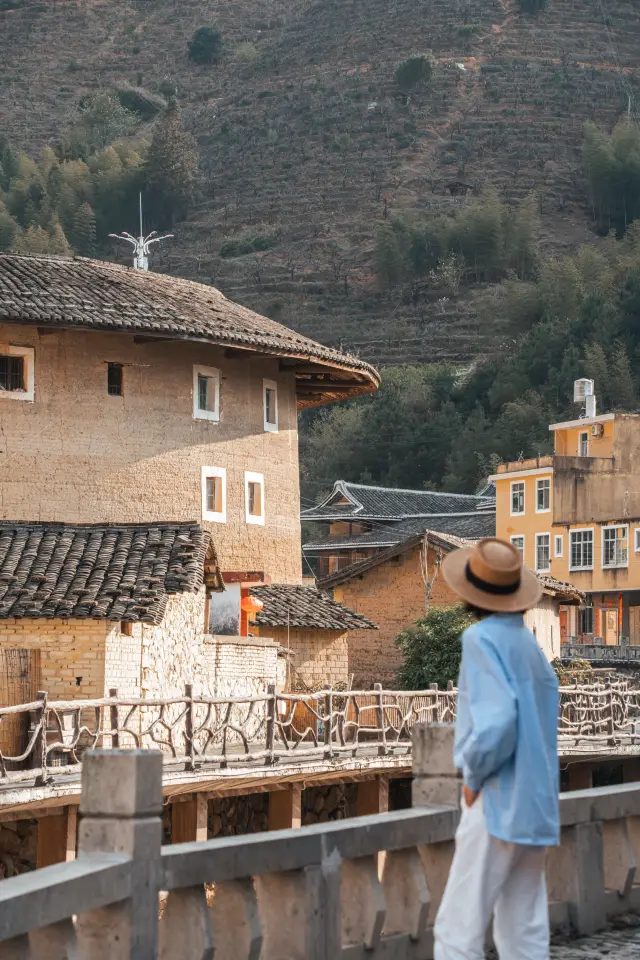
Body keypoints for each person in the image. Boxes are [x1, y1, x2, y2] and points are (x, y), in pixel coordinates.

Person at [434, 538, 559, 960]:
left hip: (497, 799)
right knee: (523, 928)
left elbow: (498, 723)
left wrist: (472, 778)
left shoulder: (480, 639)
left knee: (458, 928)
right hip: (537, 803)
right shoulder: (531, 648)